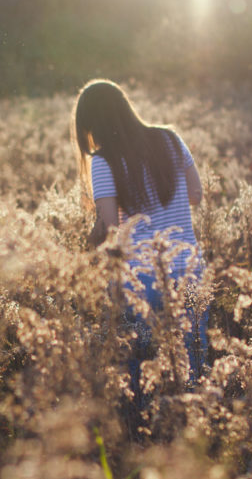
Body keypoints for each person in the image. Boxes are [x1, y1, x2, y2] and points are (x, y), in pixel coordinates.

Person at [70, 79, 208, 381]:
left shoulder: (103, 160)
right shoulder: (170, 139)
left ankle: (146, 427)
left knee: (139, 373)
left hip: (141, 280)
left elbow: (111, 230)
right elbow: (196, 194)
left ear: (92, 123)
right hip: (189, 270)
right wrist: (161, 201)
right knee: (193, 368)